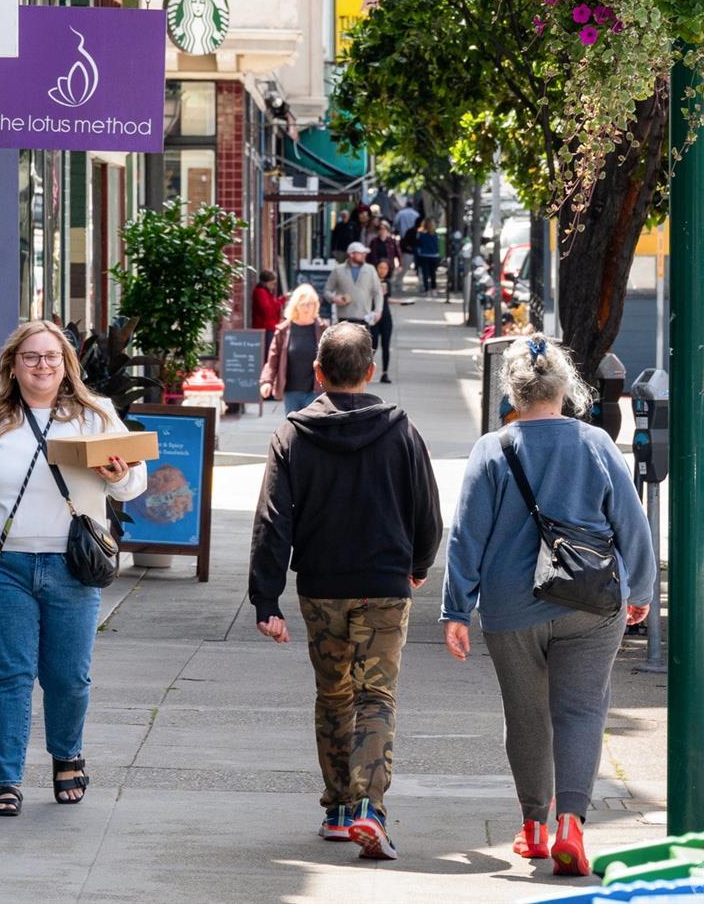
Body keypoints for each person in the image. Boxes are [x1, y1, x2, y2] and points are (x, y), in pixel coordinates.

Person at [441, 333, 655, 877]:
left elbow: (467, 535)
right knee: (582, 711)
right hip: (591, 599)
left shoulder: (493, 448)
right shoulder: (596, 444)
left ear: (512, 393)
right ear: (567, 389)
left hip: (511, 605)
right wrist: (640, 591)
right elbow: (632, 526)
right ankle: (572, 828)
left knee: (526, 714)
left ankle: (534, 826)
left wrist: (458, 609)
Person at [0, 319, 148, 817]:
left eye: (51, 357)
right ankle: (7, 780)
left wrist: (119, 475)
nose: (42, 365)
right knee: (11, 674)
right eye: (31, 357)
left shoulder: (94, 414)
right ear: (12, 364)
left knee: (68, 676)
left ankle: (67, 755)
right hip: (1, 562)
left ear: (66, 364)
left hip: (74, 564)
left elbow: (133, 486)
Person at [249, 323, 443, 862]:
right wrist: (419, 564)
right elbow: (428, 510)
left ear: (317, 373)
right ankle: (369, 810)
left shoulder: (292, 434)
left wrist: (266, 600)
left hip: (322, 590)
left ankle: (337, 809)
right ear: (370, 372)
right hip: (384, 586)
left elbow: (271, 522)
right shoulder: (402, 431)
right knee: (375, 696)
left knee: (333, 694)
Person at [259, 284, 327, 415]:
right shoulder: (283, 330)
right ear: (296, 305)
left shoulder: (323, 329)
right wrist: (266, 382)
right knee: (294, 430)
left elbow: (333, 360)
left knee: (313, 431)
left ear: (316, 305)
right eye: (303, 304)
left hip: (316, 391)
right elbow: (273, 360)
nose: (307, 308)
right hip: (291, 392)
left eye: (310, 304)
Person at [323, 241, 383, 327]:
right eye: (360, 253)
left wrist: (378, 310)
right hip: (344, 318)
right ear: (351, 254)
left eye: (364, 253)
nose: (364, 255)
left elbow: (378, 292)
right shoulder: (338, 270)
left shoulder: (370, 270)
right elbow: (327, 291)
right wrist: (334, 298)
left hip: (364, 318)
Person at [369, 259, 393, 384]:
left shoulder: (387, 283)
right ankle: (366, 371)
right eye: (380, 268)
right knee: (373, 345)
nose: (383, 271)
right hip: (374, 316)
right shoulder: (370, 282)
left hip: (386, 317)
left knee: (386, 345)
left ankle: (385, 373)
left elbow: (385, 296)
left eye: (385, 268)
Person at [251, 270, 284, 355]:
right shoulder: (260, 292)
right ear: (265, 282)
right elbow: (268, 311)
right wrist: (280, 301)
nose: (273, 286)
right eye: (272, 284)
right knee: (268, 353)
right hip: (265, 328)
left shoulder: (266, 292)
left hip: (269, 327)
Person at [366, 219, 402, 283]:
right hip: (376, 266)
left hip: (389, 266)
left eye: (384, 229)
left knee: (388, 284)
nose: (382, 231)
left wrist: (399, 265)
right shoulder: (374, 241)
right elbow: (369, 255)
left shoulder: (392, 241)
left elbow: (398, 254)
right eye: (380, 229)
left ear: (387, 231)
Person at [415, 218, 441, 295]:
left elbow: (418, 244)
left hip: (424, 255)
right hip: (434, 255)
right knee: (433, 273)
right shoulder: (435, 234)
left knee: (425, 273)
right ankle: (434, 289)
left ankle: (426, 290)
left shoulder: (420, 234)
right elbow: (437, 245)